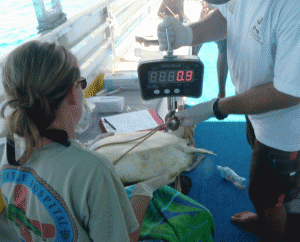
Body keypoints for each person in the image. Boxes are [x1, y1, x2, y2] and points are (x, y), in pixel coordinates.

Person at [0, 40, 175, 241]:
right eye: (81, 84)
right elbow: (128, 237)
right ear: (72, 94)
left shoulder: (12, 148)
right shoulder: (94, 169)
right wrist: (143, 192)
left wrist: (85, 149)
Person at [157, 0, 300, 241]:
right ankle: (268, 220)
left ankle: (273, 227)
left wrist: (217, 107)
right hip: (256, 111)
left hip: (284, 128)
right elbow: (225, 16)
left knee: (267, 196)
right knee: (270, 189)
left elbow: (289, 92)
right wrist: (188, 33)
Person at [192, 1, 228, 99]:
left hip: (222, 12)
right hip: (208, 10)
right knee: (195, 47)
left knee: (223, 51)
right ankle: (221, 94)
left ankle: (221, 94)